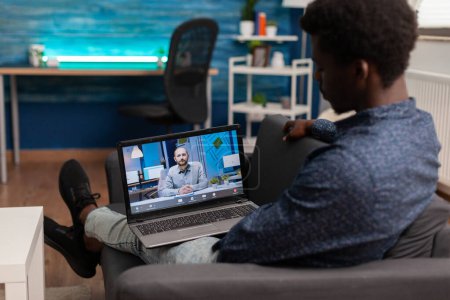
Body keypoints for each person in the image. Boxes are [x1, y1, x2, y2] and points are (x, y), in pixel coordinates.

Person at [44, 0, 440, 279]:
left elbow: (238, 247)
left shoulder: (345, 171)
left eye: (321, 67)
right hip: (291, 235)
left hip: (234, 266)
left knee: (152, 230)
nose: (318, 78)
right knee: (183, 213)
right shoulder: (420, 131)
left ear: (359, 71)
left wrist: (200, 226)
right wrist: (317, 126)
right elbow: (365, 137)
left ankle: (85, 218)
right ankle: (88, 242)